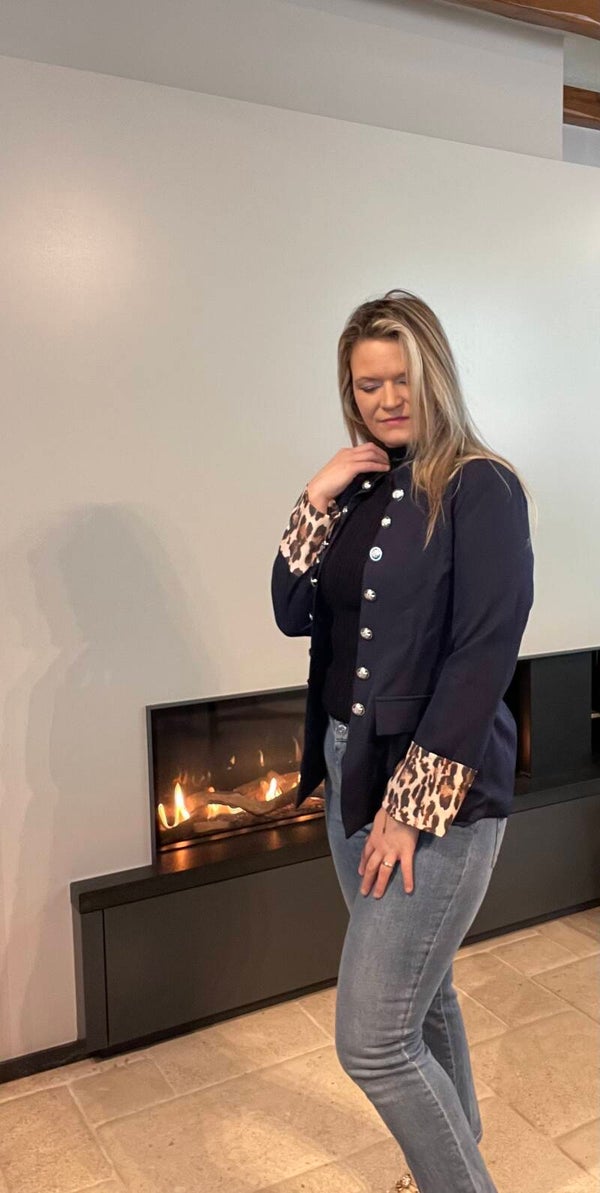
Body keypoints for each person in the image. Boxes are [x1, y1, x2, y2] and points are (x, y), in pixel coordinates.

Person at [270, 289, 535, 1193]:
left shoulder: (484, 487)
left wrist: (410, 811)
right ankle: (448, 1165)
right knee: (425, 995)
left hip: (435, 789)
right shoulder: (359, 488)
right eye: (366, 385)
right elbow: (291, 609)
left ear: (434, 375)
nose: (386, 399)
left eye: (400, 379)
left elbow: (482, 656)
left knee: (373, 1038)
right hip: (349, 766)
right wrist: (316, 494)